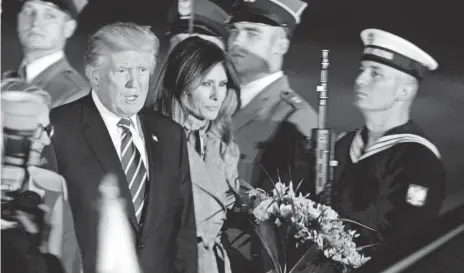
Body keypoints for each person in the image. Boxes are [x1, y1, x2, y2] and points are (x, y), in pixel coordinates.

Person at [46, 22, 198, 273]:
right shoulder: (59, 129)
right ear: (94, 75)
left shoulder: (170, 134)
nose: (134, 83)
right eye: (122, 70)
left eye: (142, 70)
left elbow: (183, 230)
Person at [331, 29, 446, 259]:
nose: (360, 80)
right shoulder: (344, 144)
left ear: (404, 91)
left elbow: (400, 239)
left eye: (376, 74)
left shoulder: (419, 159)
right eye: (361, 70)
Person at [224, 0, 318, 271]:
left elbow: (286, 225)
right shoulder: (215, 103)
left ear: (280, 45)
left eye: (252, 33)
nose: (237, 41)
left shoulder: (295, 120)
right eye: (234, 30)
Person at [155, 36, 241, 273]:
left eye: (223, 85)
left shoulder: (224, 146)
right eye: (206, 84)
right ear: (182, 85)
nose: (217, 95)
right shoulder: (151, 138)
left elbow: (227, 210)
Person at [1, 79, 81, 273]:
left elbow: (68, 264)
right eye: (35, 129)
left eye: (47, 129)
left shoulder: (51, 187)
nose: (45, 140)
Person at [3, 0, 89, 108]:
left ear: (68, 28)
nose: (35, 22)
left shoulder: (75, 95)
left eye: (49, 15)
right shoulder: (9, 80)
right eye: (29, 12)